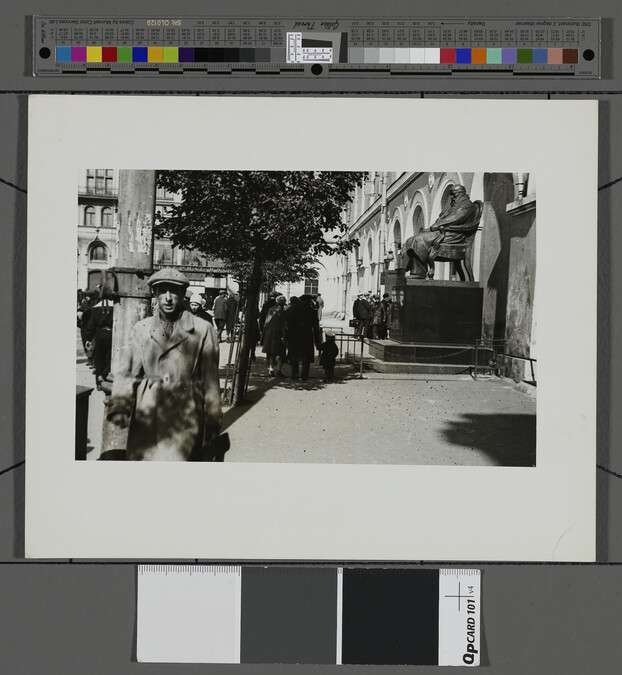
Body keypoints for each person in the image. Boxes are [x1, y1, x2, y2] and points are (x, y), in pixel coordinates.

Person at [107, 268, 222, 462]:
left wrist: (212, 419)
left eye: (174, 291)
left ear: (182, 294)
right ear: (155, 294)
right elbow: (127, 372)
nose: (168, 298)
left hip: (186, 414)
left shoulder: (202, 329)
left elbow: (210, 380)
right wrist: (120, 405)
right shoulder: (142, 329)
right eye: (162, 291)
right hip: (148, 410)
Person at [401, 184, 479, 279]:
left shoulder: (467, 205)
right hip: (445, 232)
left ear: (461, 194)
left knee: (419, 239)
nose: (451, 197)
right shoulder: (456, 205)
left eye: (453, 194)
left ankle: (419, 274)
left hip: (453, 235)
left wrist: (438, 224)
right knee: (411, 240)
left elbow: (456, 219)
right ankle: (412, 271)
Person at [285, 294, 321, 381]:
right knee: (306, 357)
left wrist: (287, 337)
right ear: (309, 301)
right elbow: (316, 327)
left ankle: (295, 374)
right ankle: (304, 375)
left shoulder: (293, 309)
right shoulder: (312, 311)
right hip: (307, 336)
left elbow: (288, 325)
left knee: (294, 356)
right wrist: (317, 341)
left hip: (294, 336)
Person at [84, 290, 115, 388]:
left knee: (99, 358)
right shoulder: (115, 305)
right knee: (110, 358)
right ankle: (104, 376)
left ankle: (98, 383)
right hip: (112, 334)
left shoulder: (96, 307)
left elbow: (91, 324)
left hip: (100, 334)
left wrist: (88, 338)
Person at [261, 295, 287, 376]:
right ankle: (279, 370)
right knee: (282, 353)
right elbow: (284, 325)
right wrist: (284, 336)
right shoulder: (282, 312)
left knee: (272, 353)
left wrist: (263, 335)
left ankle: (271, 368)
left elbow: (266, 323)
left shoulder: (270, 310)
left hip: (269, 334)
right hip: (278, 334)